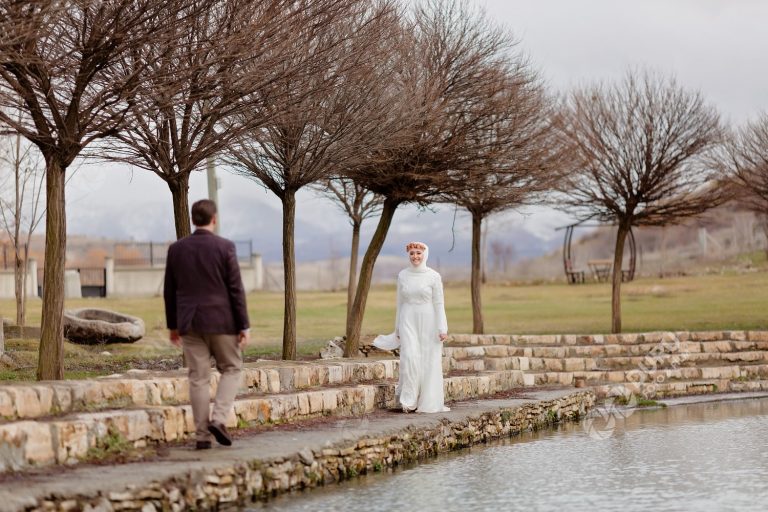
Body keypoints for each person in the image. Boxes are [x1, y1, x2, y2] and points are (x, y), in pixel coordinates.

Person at [163, 199, 250, 450]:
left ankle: (202, 436)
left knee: (198, 378)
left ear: (193, 219)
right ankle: (219, 420)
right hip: (223, 321)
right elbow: (236, 289)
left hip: (189, 322)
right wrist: (244, 325)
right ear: (214, 219)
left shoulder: (176, 249)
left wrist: (173, 326)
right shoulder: (225, 247)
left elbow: (170, 291)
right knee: (232, 368)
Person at [374, 241, 449, 413]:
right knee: (410, 357)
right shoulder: (403, 275)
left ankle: (426, 399)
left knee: (428, 360)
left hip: (429, 322)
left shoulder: (433, 276)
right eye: (412, 253)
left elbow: (439, 303)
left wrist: (442, 327)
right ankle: (408, 400)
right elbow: (399, 303)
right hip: (407, 319)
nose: (415, 256)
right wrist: (397, 328)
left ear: (425, 255)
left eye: (418, 253)